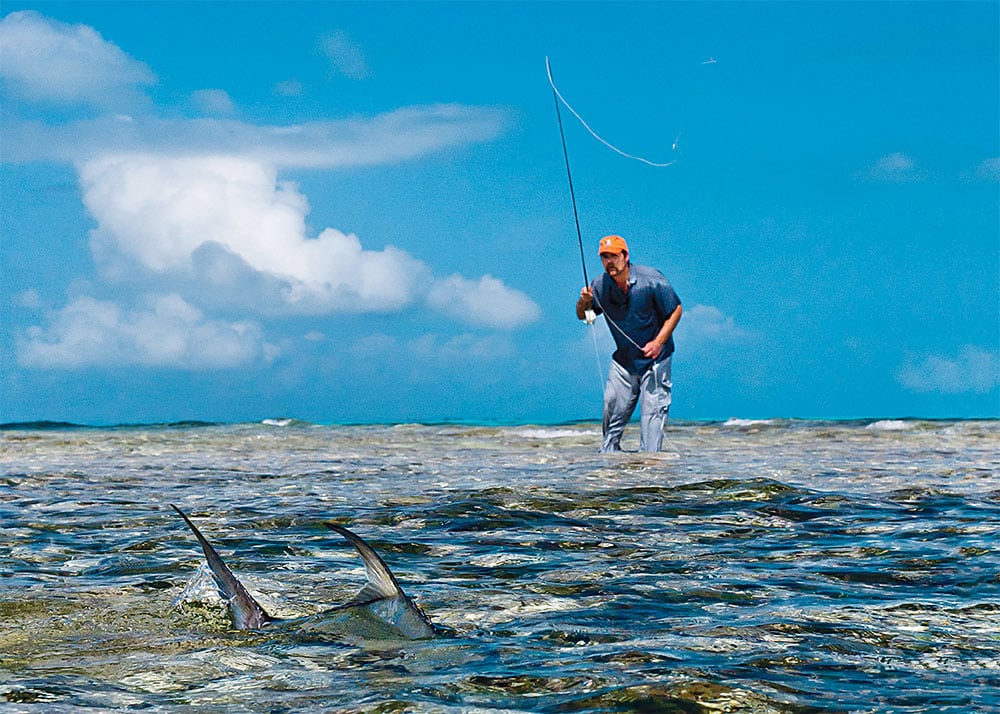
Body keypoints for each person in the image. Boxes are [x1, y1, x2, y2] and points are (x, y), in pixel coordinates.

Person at [575, 235, 683, 452]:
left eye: (613, 256)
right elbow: (586, 317)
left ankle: (649, 477)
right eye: (604, 257)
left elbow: (676, 310)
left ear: (625, 256)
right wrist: (583, 302)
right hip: (624, 361)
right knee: (611, 410)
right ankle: (612, 474)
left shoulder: (651, 279)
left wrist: (658, 342)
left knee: (651, 427)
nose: (609, 262)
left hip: (655, 360)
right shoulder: (599, 285)